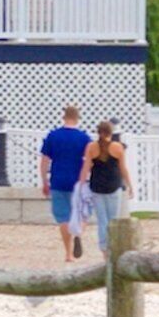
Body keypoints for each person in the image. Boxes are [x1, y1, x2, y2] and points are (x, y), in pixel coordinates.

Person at [39, 105, 92, 261]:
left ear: (64, 117)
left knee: (63, 217)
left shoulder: (53, 136)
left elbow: (44, 161)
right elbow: (89, 161)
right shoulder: (84, 138)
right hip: (77, 180)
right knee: (82, 214)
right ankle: (78, 233)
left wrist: (44, 181)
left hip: (58, 179)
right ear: (77, 118)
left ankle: (68, 253)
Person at [85, 120, 133, 257]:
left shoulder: (92, 147)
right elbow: (122, 168)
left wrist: (81, 182)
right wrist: (130, 185)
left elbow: (87, 167)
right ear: (111, 133)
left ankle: (104, 248)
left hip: (97, 186)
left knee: (102, 220)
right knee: (114, 219)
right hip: (113, 185)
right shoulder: (118, 147)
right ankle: (113, 247)